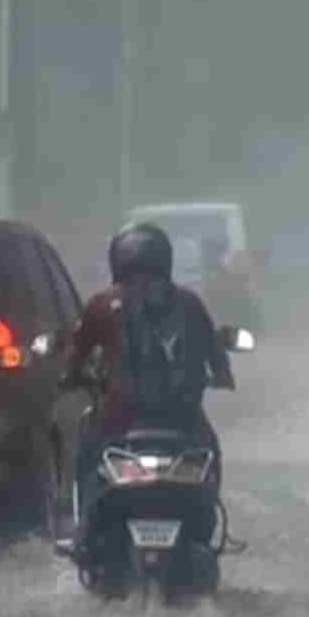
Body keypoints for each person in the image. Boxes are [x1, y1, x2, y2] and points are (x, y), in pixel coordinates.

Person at [62, 222, 235, 589]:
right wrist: (220, 377)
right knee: (211, 451)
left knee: (84, 450)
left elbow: (74, 360)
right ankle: (208, 530)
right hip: (182, 425)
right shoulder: (189, 303)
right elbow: (218, 361)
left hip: (116, 425)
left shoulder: (100, 305)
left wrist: (72, 378)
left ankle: (81, 531)